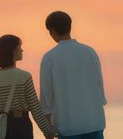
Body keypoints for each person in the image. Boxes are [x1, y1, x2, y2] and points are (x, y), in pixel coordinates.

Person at [40, 11, 107, 139]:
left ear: (52, 31)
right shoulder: (90, 52)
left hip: (68, 128)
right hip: (94, 123)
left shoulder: (50, 58)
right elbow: (99, 87)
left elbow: (46, 97)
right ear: (70, 27)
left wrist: (47, 129)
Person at [0, 34, 54, 139]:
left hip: (1, 129)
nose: (22, 50)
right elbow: (35, 109)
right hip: (20, 126)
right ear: (13, 50)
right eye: (20, 47)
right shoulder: (24, 77)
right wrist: (49, 132)